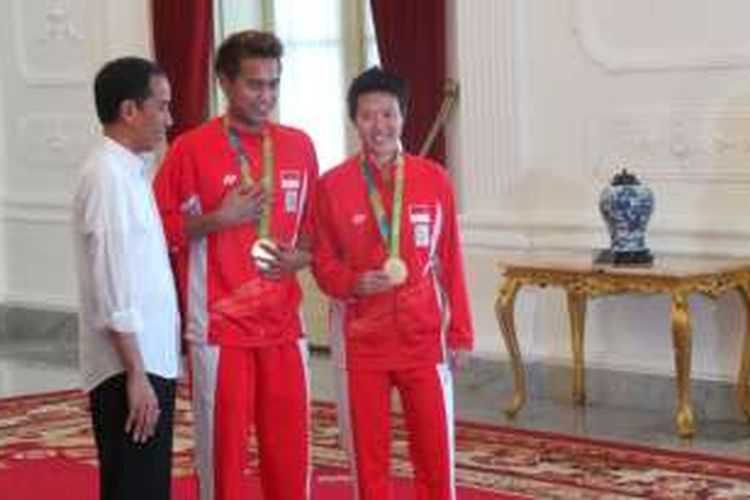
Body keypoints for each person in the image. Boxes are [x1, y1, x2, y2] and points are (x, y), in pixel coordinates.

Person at [153, 30, 318, 500]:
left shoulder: (298, 146)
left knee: (290, 453)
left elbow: (314, 231)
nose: (266, 96)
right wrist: (218, 219)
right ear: (225, 82)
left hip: (285, 325)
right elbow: (156, 228)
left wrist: (301, 257)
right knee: (222, 458)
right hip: (220, 329)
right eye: (254, 84)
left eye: (273, 84)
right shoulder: (190, 148)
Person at [311, 66, 474, 500]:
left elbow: (450, 260)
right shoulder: (332, 186)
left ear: (403, 117)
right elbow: (322, 263)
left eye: (388, 114)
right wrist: (351, 282)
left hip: (423, 339)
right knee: (368, 457)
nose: (379, 126)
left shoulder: (433, 179)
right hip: (362, 341)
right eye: (368, 116)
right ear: (354, 120)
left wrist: (459, 332)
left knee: (435, 452)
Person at [72, 56, 179, 500]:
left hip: (147, 359)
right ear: (130, 110)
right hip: (129, 368)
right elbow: (113, 282)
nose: (169, 120)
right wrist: (137, 374)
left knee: (145, 485)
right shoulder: (107, 176)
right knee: (135, 488)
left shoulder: (129, 171)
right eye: (162, 106)